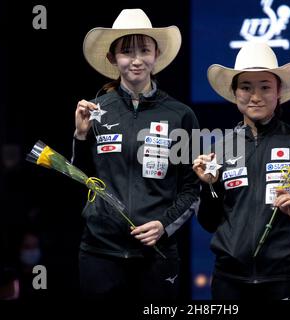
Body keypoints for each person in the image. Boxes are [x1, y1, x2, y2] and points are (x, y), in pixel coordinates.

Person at [72, 8, 200, 300]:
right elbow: (78, 179)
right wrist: (80, 135)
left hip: (156, 255)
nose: (137, 59)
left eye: (145, 49)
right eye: (127, 51)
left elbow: (192, 189)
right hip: (99, 253)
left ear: (156, 55)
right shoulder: (94, 111)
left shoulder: (180, 115)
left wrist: (164, 226)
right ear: (112, 58)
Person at [193, 42, 290, 300]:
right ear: (234, 92)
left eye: (265, 87)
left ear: (279, 92)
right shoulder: (220, 149)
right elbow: (209, 222)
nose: (255, 96)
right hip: (229, 281)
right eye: (246, 87)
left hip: (285, 278)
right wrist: (209, 186)